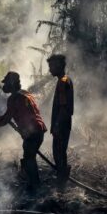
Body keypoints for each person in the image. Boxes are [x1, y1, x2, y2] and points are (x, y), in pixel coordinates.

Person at [0, 71, 47, 193]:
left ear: (12, 83)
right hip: (38, 130)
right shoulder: (25, 94)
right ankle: (31, 184)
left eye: (7, 83)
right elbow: (8, 116)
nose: (4, 86)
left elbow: (6, 119)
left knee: (29, 159)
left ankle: (35, 188)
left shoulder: (14, 98)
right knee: (29, 157)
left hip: (32, 132)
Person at [47, 54, 74, 188]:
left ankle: (61, 182)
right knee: (60, 152)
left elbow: (63, 107)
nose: (49, 70)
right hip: (64, 123)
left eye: (51, 66)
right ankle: (62, 178)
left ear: (58, 66)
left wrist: (57, 125)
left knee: (58, 152)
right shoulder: (65, 80)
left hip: (62, 124)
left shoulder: (63, 82)